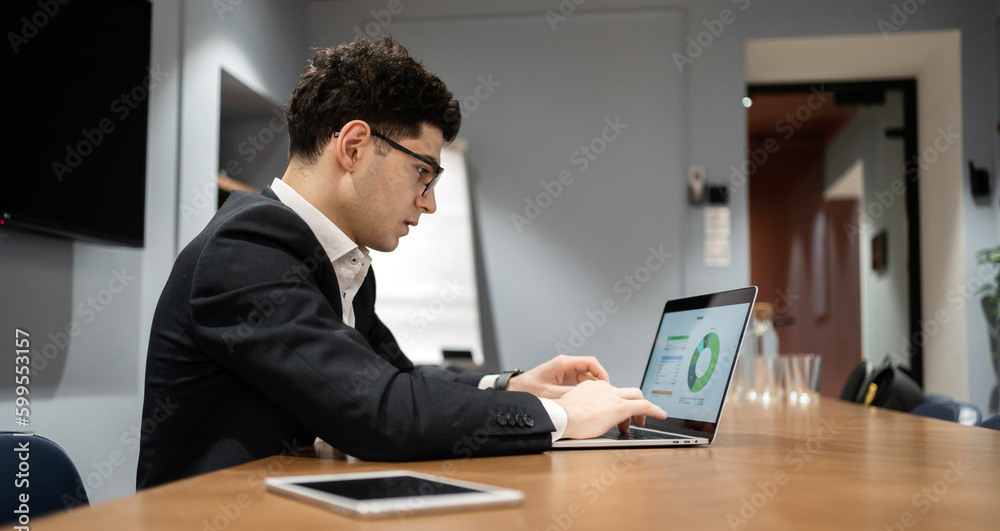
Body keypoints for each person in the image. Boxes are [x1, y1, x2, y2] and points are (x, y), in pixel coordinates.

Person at [136, 37, 665, 489]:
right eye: (424, 174)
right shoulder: (247, 249)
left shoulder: (334, 260)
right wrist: (565, 416)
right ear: (355, 146)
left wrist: (512, 386)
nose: (429, 202)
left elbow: (396, 379)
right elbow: (378, 411)